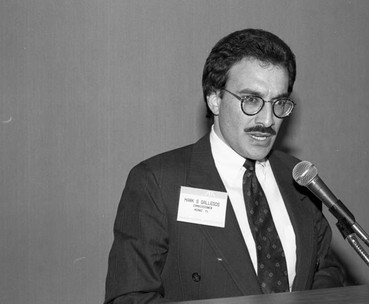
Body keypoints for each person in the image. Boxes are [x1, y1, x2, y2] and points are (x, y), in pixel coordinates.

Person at [104, 28, 345, 303]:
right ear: (215, 99)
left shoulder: (298, 177)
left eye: (278, 102)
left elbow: (325, 270)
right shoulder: (157, 182)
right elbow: (130, 297)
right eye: (251, 100)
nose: (267, 120)